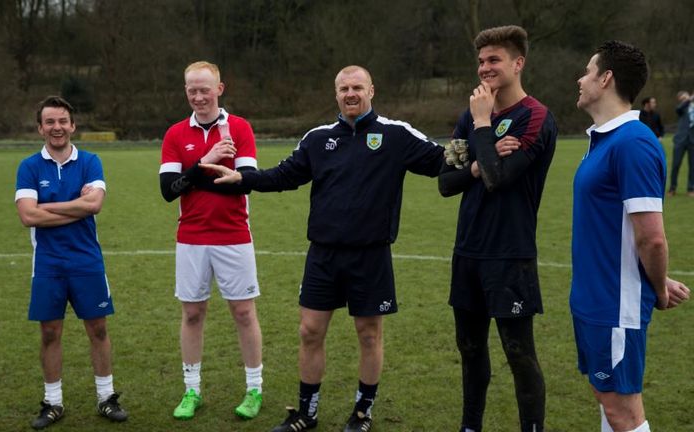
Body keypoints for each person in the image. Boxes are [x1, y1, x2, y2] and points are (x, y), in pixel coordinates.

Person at [201, 65, 445, 432]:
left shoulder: (395, 135)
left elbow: (444, 160)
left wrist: (485, 142)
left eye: (357, 87)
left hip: (371, 254)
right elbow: (284, 175)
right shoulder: (318, 138)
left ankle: (362, 413)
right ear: (336, 94)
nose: (350, 93)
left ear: (371, 91)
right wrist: (243, 179)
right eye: (344, 88)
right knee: (309, 331)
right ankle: (306, 413)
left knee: (368, 334)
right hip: (324, 255)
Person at [437, 25, 556, 432]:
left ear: (518, 63)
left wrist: (484, 126)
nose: (484, 68)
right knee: (470, 350)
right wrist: (476, 158)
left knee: (519, 354)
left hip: (510, 255)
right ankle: (470, 427)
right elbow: (446, 183)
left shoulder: (535, 117)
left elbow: (498, 179)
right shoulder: (469, 117)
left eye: (494, 60)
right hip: (468, 251)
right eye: (481, 61)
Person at [572, 40, 690, 432]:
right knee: (609, 404)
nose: (581, 78)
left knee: (624, 411)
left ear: (606, 78)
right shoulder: (604, 140)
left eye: (588, 70)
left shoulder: (634, 143)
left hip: (614, 306)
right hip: (594, 299)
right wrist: (656, 279)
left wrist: (655, 290)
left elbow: (652, 238)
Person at [158, 61, 265, 421]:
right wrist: (207, 162)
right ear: (185, 91)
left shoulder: (239, 128)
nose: (199, 96)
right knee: (191, 313)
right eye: (192, 90)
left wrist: (200, 174)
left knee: (243, 312)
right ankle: (192, 390)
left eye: (205, 89)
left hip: (235, 235)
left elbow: (246, 179)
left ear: (220, 88)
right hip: (191, 238)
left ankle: (254, 389)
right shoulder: (175, 134)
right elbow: (168, 191)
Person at [15, 96, 127, 429]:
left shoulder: (91, 161)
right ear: (40, 128)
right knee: (50, 332)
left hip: (87, 260)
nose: (57, 127)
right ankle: (52, 402)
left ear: (72, 125)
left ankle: (106, 397)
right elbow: (26, 215)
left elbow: (94, 206)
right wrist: (74, 203)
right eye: (50, 121)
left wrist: (47, 209)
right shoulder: (29, 166)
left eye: (62, 120)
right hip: (48, 263)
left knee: (98, 328)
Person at [668, 90, 694, 196]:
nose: (685, 100)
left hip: (692, 141)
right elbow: (679, 108)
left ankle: (691, 189)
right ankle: (672, 188)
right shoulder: (681, 109)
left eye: (685, 97)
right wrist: (689, 99)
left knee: (692, 166)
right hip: (680, 140)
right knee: (676, 164)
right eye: (682, 99)